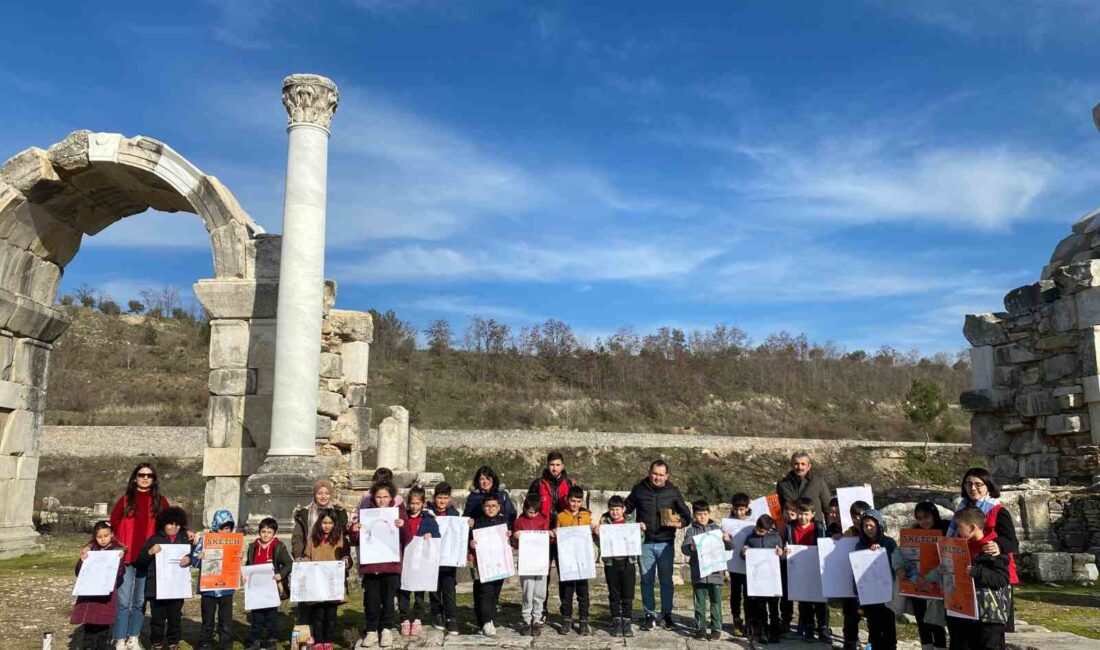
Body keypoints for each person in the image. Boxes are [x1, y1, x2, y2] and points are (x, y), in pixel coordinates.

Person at [108, 463, 173, 650]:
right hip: (126, 557)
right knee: (123, 600)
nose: (145, 478)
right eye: (141, 474)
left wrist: (186, 532)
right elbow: (111, 525)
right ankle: (119, 638)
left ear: (154, 479)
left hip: (148, 558)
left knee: (139, 602)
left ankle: (133, 638)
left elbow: (170, 523)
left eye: (149, 475)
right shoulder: (126, 499)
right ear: (135, 477)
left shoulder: (160, 501)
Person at [947, 468, 1019, 633]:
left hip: (994, 573)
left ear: (988, 486)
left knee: (991, 630)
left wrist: (999, 545)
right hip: (967, 571)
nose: (973, 488)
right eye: (969, 484)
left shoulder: (998, 510)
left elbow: (1012, 541)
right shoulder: (961, 510)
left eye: (978, 484)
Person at [624, 459, 691, 631]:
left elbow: (687, 515)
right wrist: (632, 522)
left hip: (666, 544)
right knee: (646, 581)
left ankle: (667, 615)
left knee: (666, 581)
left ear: (666, 476)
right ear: (649, 473)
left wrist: (680, 523)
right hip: (645, 543)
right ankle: (649, 615)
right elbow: (625, 510)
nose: (657, 478)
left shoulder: (673, 492)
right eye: (655, 474)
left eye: (661, 475)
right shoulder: (639, 489)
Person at [949, 506, 1012, 650]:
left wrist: (977, 572)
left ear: (972, 527)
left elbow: (1001, 579)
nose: (957, 530)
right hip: (963, 611)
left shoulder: (993, 548)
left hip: (988, 615)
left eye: (960, 526)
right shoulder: (960, 547)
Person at [526, 451, 579, 622]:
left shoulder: (570, 484)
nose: (554, 468)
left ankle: (565, 611)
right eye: (551, 465)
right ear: (547, 466)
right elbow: (528, 508)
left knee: (565, 574)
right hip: (543, 535)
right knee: (542, 574)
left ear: (562, 466)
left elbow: (577, 507)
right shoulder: (537, 484)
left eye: (557, 465)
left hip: (564, 535)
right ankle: (541, 610)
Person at [133, 506, 193, 650]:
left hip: (177, 587)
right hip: (157, 587)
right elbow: (140, 561)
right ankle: (157, 643)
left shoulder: (185, 539)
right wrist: (149, 552)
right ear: (163, 523)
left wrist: (189, 558)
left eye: (177, 524)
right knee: (157, 618)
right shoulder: (153, 539)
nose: (174, 527)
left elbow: (196, 556)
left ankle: (174, 642)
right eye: (170, 523)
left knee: (175, 617)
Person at [892, 501, 948, 650]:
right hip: (916, 585)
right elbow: (898, 552)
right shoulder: (914, 533)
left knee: (936, 623)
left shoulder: (945, 530)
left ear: (934, 515)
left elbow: (947, 558)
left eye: (926, 516)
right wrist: (899, 567)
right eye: (919, 518)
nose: (923, 521)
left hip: (936, 587)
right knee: (922, 623)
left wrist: (930, 577)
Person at [359, 482, 406, 648]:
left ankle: (386, 628)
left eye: (385, 497)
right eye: (378, 497)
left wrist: (403, 526)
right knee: (371, 599)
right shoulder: (366, 512)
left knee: (388, 599)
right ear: (373, 497)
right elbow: (357, 536)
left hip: (390, 565)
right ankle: (371, 630)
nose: (382, 500)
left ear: (391, 497)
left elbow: (407, 538)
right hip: (371, 565)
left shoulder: (399, 512)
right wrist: (354, 529)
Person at [682, 500, 734, 641]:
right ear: (694, 515)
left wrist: (727, 539)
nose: (702, 517)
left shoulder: (717, 529)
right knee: (699, 602)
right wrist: (691, 548)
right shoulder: (691, 531)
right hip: (698, 573)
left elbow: (730, 546)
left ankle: (716, 628)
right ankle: (701, 628)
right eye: (699, 514)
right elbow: (684, 549)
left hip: (716, 573)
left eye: (705, 514)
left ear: (709, 513)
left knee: (716, 602)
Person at [594, 494, 642, 638]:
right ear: (608, 510)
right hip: (611, 563)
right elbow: (599, 544)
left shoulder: (631, 522)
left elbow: (640, 540)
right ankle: (616, 621)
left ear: (624, 509)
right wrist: (597, 535)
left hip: (628, 563)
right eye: (612, 509)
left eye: (617, 509)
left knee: (628, 593)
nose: (615, 512)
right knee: (613, 593)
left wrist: (641, 531)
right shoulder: (605, 524)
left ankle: (627, 621)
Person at [303, 508, 352, 650]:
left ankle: (328, 640)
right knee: (318, 614)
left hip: (333, 584)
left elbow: (346, 556)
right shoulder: (313, 540)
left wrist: (346, 561)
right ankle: (318, 640)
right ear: (320, 523)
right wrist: (303, 563)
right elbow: (307, 556)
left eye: (330, 523)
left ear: (334, 524)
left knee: (331, 614)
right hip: (317, 584)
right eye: (324, 523)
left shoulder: (341, 539)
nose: (327, 526)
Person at [72, 521, 126, 650]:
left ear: (112, 534)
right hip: (89, 595)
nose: (102, 539)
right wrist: (82, 560)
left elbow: (120, 574)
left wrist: (119, 561)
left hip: (106, 595)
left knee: (103, 624)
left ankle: (102, 647)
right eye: (99, 536)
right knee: (89, 624)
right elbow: (79, 572)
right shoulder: (90, 550)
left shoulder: (117, 551)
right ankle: (88, 647)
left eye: (106, 535)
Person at [784, 497, 831, 643]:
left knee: (820, 600)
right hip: (798, 567)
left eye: (806, 514)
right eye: (800, 513)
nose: (802, 517)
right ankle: (808, 626)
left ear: (812, 514)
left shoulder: (818, 527)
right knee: (804, 599)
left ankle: (823, 627)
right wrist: (785, 549)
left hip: (816, 567)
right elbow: (786, 542)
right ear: (795, 512)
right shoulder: (790, 527)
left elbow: (824, 544)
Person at [190, 509, 236, 650]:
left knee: (226, 618)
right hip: (208, 588)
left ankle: (226, 642)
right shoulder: (205, 539)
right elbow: (194, 562)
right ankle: (205, 641)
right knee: (208, 617)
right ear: (216, 526)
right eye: (222, 527)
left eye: (228, 528)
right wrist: (199, 558)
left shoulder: (234, 541)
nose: (225, 530)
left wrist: (237, 557)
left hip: (226, 588)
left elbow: (235, 563)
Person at [244, 517, 293, 650]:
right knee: (256, 615)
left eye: (269, 532)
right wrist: (245, 576)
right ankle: (255, 640)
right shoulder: (253, 547)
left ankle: (271, 640)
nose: (266, 534)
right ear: (259, 532)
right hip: (256, 587)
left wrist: (281, 574)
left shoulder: (278, 547)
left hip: (272, 587)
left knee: (271, 615)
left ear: (274, 533)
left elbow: (289, 564)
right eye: (263, 531)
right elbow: (248, 564)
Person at [398, 486, 440, 637]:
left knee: (419, 591)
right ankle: (404, 619)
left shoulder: (428, 519)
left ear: (423, 503)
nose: (414, 506)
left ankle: (417, 618)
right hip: (405, 560)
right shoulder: (403, 518)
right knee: (403, 590)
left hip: (420, 561)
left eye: (417, 503)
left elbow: (437, 536)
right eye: (412, 503)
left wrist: (431, 535)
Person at [469, 492, 512, 636]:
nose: (491, 509)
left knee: (494, 592)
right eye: (487, 506)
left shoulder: (504, 521)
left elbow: (510, 540)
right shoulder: (478, 522)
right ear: (482, 507)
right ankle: (487, 621)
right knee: (485, 591)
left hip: (499, 563)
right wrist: (472, 544)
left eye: (494, 506)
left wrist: (510, 536)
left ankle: (490, 618)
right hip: (483, 564)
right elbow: (470, 540)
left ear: (499, 507)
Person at [855, 509, 897, 650]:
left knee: (888, 624)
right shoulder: (860, 544)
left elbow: (897, 562)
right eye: (865, 526)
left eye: (871, 526)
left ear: (879, 525)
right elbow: (857, 567)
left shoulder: (889, 542)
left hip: (887, 592)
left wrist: (882, 552)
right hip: (870, 593)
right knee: (873, 625)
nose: (868, 529)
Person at [555, 485, 592, 636]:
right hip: (567, 560)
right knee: (566, 591)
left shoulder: (587, 516)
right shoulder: (560, 517)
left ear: (582, 502)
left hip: (582, 559)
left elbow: (590, 533)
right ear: (567, 499)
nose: (574, 504)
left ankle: (583, 620)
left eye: (578, 501)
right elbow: (556, 534)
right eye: (572, 501)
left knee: (583, 591)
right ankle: (566, 618)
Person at [512, 493, 550, 637]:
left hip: (540, 561)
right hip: (526, 562)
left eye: (535, 512)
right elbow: (515, 545)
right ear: (524, 508)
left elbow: (546, 541)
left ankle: (537, 619)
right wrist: (515, 537)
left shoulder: (543, 520)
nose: (532, 515)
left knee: (540, 592)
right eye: (530, 512)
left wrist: (550, 535)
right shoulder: (519, 521)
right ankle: (526, 619)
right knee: (528, 590)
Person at [742, 514, 783, 645]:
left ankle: (775, 632)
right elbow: (744, 558)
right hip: (758, 581)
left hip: (772, 580)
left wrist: (780, 553)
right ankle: (763, 631)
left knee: (774, 608)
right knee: (760, 609)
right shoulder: (750, 538)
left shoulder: (776, 538)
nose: (758, 532)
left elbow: (781, 559)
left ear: (769, 530)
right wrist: (744, 553)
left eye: (762, 531)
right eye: (757, 529)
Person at [836, 499, 871, 650]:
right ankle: (850, 642)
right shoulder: (848, 533)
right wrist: (837, 541)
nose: (857, 519)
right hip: (851, 585)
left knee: (872, 616)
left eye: (860, 516)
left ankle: (872, 643)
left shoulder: (874, 532)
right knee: (851, 615)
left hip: (870, 584)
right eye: (854, 516)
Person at [427, 482, 460, 635]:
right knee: (434, 588)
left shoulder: (454, 514)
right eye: (440, 498)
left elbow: (459, 533)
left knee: (449, 589)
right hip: (431, 557)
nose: (442, 501)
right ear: (434, 498)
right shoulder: (427, 513)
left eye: (445, 498)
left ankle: (451, 618)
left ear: (450, 499)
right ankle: (437, 614)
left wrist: (467, 525)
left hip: (448, 558)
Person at [293, 479, 349, 560]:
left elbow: (344, 535)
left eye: (327, 493)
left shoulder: (339, 512)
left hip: (334, 556)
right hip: (312, 556)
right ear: (314, 494)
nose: (323, 497)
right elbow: (298, 537)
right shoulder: (304, 513)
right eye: (319, 493)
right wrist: (298, 556)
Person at [775, 451, 830, 525]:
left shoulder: (818, 482)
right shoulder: (782, 484)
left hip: (814, 529)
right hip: (792, 530)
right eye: (796, 464)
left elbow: (828, 509)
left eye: (803, 464)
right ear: (791, 465)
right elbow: (778, 511)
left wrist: (831, 530)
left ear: (809, 466)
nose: (799, 467)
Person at [726, 493, 752, 638]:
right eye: (736, 509)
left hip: (749, 565)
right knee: (735, 594)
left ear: (747, 508)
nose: (739, 512)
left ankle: (749, 620)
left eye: (742, 509)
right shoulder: (727, 522)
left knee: (748, 595)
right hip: (734, 564)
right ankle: (736, 620)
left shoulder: (753, 521)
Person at [778, 502, 798, 634]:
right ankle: (785, 619)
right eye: (787, 513)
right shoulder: (777, 525)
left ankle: (804, 622)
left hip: (797, 562)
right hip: (782, 563)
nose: (789, 516)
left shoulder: (795, 527)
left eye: (792, 514)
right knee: (784, 593)